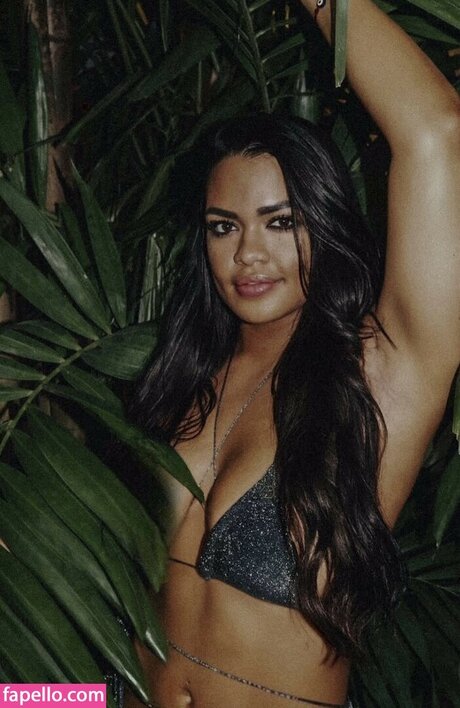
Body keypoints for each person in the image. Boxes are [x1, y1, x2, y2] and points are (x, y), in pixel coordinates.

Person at [127, 0, 460, 705]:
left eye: (280, 222)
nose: (248, 253)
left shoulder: (380, 374)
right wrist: (27, 697)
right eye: (223, 226)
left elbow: (437, 131)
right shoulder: (181, 382)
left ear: (326, 224)